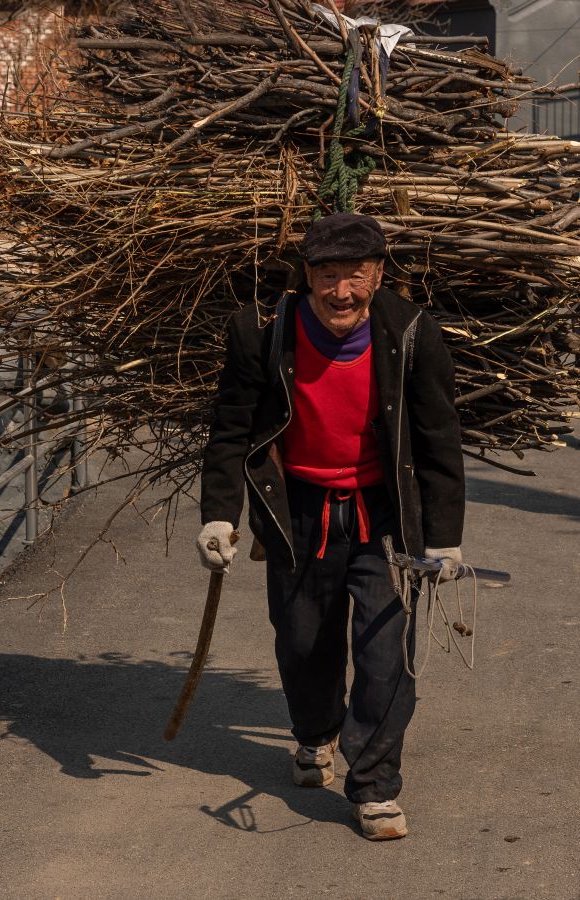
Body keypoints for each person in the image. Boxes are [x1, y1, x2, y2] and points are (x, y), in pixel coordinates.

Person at [197, 213, 465, 841]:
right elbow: (231, 427)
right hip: (297, 511)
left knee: (386, 652)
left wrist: (445, 535)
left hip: (380, 514)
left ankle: (372, 785)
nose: (340, 291)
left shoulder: (412, 333)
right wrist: (218, 513)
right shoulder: (261, 332)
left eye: (354, 275)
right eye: (326, 275)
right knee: (302, 642)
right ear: (306, 277)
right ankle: (315, 733)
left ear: (378, 274)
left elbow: (438, 437)